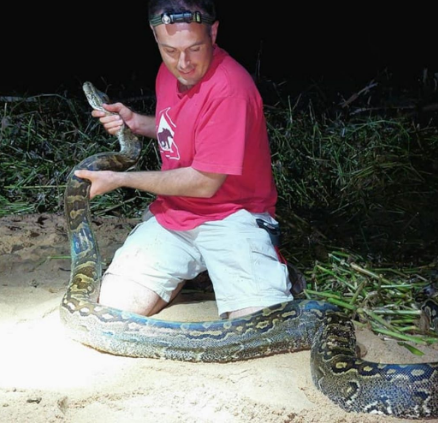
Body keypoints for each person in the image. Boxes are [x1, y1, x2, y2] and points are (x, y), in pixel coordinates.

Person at [74, 0, 294, 320]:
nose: (184, 63)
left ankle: (241, 270)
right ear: (155, 37)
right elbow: (177, 129)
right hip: (175, 215)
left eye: (194, 48)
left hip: (233, 217)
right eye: (170, 50)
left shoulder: (231, 88)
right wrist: (136, 122)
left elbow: (204, 183)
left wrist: (120, 179)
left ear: (214, 33)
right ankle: (189, 273)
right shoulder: (168, 72)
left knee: (261, 324)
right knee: (111, 310)